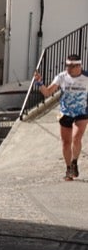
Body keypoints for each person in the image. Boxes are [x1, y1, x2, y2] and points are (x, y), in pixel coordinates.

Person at [33, 53, 88, 181]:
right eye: (67, 65)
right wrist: (39, 82)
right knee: (66, 142)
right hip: (65, 112)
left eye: (71, 66)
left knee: (76, 137)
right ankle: (69, 168)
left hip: (81, 112)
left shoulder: (86, 77)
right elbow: (47, 92)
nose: (68, 68)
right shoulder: (61, 77)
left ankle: (74, 161)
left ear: (79, 65)